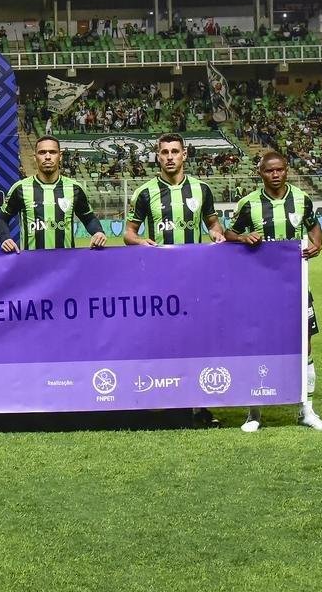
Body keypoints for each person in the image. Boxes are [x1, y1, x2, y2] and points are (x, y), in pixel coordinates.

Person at [124, 133, 225, 429]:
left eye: (175, 151)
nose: (169, 156)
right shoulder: (144, 193)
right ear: (157, 156)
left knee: (198, 342)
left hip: (195, 281)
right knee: (162, 341)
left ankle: (202, 405)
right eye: (164, 152)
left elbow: (213, 224)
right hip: (159, 283)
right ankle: (164, 401)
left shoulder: (201, 189)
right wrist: (140, 241)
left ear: (184, 155)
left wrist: (217, 234)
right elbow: (129, 233)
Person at [225, 151, 322, 432]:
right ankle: (254, 412)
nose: (275, 174)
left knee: (305, 343)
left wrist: (317, 245)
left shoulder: (301, 199)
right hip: (259, 288)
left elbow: (314, 228)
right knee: (258, 343)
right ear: (260, 173)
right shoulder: (249, 204)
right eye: (270, 170)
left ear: (287, 171)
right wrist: (243, 236)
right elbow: (228, 233)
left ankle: (306, 410)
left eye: (280, 170)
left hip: (295, 284)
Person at [0, 136, 108, 251]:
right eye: (42, 152)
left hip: (66, 263)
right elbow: (2, 219)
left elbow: (88, 218)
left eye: (53, 152)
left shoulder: (75, 188)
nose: (48, 156)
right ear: (35, 157)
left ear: (60, 156)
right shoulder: (20, 188)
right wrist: (5, 238)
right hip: (31, 264)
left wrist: (98, 232)